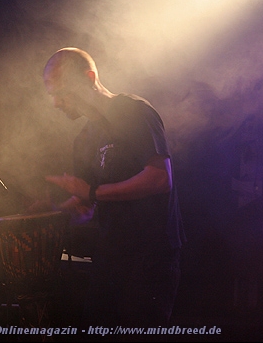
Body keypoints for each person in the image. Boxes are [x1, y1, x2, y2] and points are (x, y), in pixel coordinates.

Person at [42, 47, 184, 334]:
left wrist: (92, 192)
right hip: (111, 255)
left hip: (150, 255)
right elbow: (87, 202)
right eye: (52, 95)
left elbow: (159, 179)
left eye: (62, 92)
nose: (56, 103)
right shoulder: (83, 138)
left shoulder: (134, 111)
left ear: (89, 78)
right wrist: (52, 213)